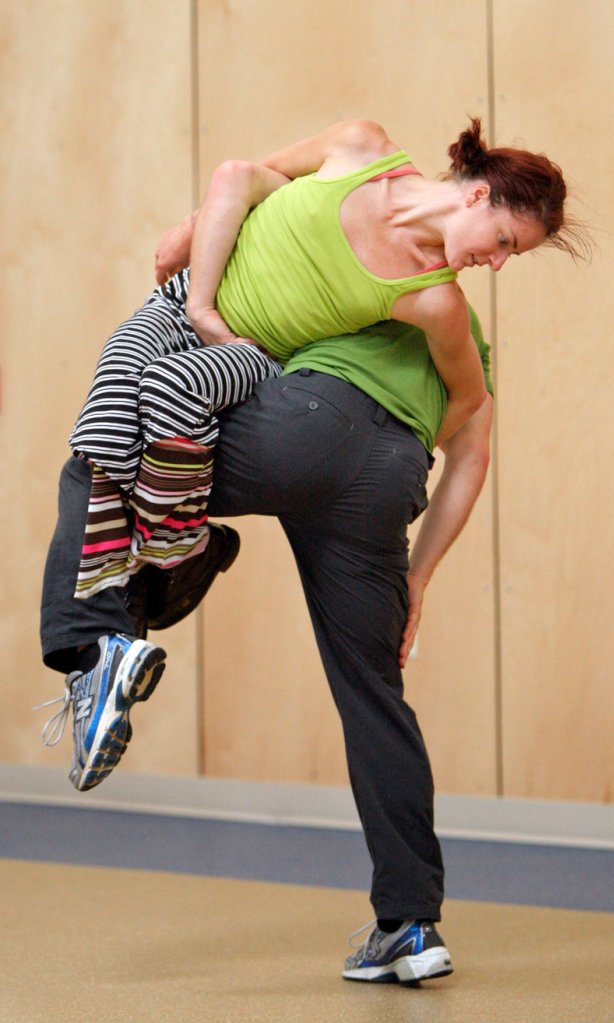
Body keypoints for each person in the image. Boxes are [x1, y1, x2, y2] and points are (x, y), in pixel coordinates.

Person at [39, 300, 493, 984]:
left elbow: (231, 283)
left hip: (306, 426)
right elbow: (470, 456)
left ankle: (98, 643)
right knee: (373, 694)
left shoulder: (355, 259)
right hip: (389, 473)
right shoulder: (466, 337)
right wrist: (419, 574)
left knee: (104, 458)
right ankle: (409, 923)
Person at [68, 117, 576, 599]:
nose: (497, 263)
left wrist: (400, 459)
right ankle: (159, 571)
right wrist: (191, 232)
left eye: (512, 255)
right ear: (478, 195)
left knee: (164, 389)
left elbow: (469, 396)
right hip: (184, 301)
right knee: (103, 426)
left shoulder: (436, 300)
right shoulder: (362, 145)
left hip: (249, 352)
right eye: (503, 241)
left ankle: (168, 559)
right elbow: (252, 178)